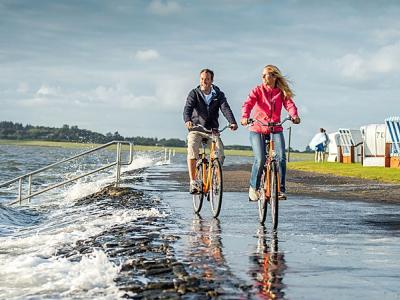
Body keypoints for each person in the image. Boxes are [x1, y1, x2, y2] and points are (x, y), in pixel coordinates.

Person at [240, 65, 300, 201]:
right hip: (258, 128)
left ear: (274, 76)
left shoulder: (281, 92)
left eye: (265, 74)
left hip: (276, 128)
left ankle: (280, 189)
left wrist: (294, 116)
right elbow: (248, 104)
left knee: (282, 158)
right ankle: (253, 188)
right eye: (262, 75)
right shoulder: (258, 90)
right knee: (260, 158)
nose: (263, 77)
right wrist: (245, 117)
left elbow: (290, 105)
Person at [183, 68, 238, 194]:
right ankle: (193, 182)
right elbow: (187, 108)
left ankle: (213, 178)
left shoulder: (218, 95)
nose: (204, 82)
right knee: (192, 149)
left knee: (220, 152)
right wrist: (187, 120)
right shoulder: (194, 93)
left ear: (212, 80)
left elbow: (225, 108)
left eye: (207, 79)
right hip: (196, 129)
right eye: (202, 79)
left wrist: (232, 122)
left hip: (212, 130)